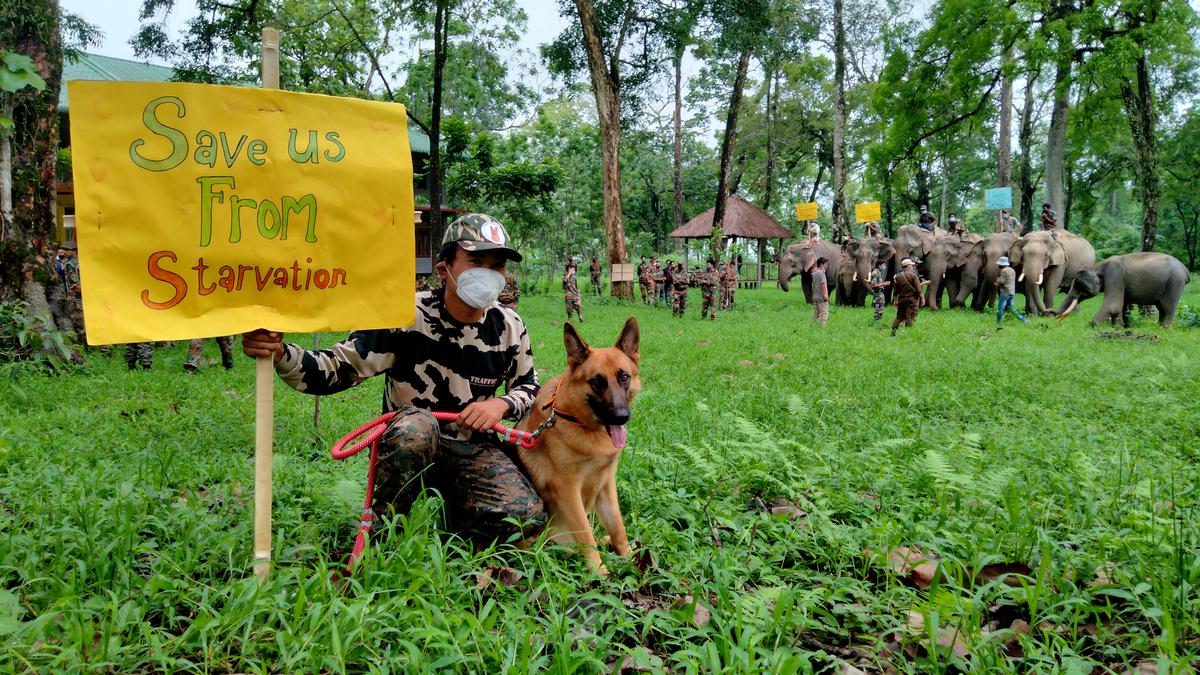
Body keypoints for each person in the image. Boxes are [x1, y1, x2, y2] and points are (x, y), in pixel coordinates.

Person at [241, 213, 544, 545]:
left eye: (497, 265)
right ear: (444, 269)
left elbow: (529, 388)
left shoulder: (509, 326)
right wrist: (281, 352)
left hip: (472, 449)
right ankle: (387, 532)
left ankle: (456, 512)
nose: (488, 274)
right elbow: (335, 369)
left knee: (524, 519)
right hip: (410, 444)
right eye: (476, 261)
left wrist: (501, 404)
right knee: (417, 427)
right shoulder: (403, 315)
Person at [891, 258, 925, 335]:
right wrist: (922, 298)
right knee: (910, 317)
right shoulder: (913, 275)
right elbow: (919, 289)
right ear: (907, 266)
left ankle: (893, 332)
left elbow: (895, 291)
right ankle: (908, 334)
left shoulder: (897, 276)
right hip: (912, 299)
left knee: (899, 317)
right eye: (911, 265)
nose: (912, 266)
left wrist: (895, 301)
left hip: (901, 299)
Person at [994, 256, 1028, 327]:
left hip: (1005, 292)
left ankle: (998, 323)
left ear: (1001, 264)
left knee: (1000, 308)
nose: (998, 265)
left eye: (999, 264)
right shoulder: (1012, 270)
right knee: (1011, 308)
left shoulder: (1003, 271)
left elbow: (1002, 281)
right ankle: (1024, 320)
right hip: (1011, 292)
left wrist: (997, 281)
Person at [811, 257, 830, 327]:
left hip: (815, 296)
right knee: (824, 313)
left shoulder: (814, 273)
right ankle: (823, 328)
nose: (827, 266)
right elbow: (823, 284)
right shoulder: (821, 273)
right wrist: (825, 295)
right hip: (822, 298)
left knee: (816, 313)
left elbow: (814, 285)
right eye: (826, 264)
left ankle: (813, 325)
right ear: (822, 264)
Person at [563, 258, 584, 322]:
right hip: (569, 293)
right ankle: (570, 319)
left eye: (574, 268)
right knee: (569, 308)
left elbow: (575, 284)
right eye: (572, 268)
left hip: (575, 293)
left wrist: (578, 290)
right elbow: (565, 280)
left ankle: (580, 316)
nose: (573, 269)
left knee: (578, 305)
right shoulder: (565, 275)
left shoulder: (574, 275)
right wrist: (569, 273)